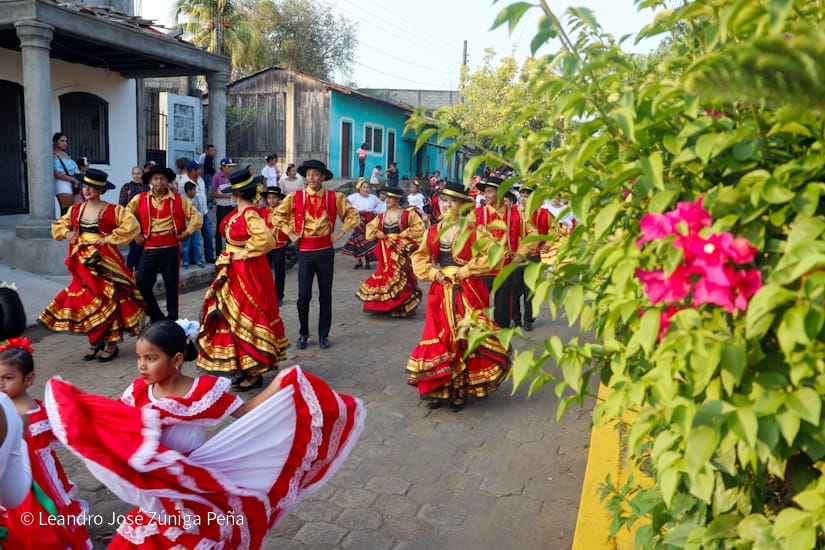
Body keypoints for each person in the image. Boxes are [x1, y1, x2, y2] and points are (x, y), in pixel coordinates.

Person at [44, 320, 365, 549]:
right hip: (158, 485)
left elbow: (244, 412)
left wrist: (281, 383)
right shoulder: (139, 391)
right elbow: (115, 419)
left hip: (191, 485)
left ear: (177, 359)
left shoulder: (203, 394)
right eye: (140, 358)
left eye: (151, 358)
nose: (141, 366)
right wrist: (78, 411)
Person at [406, 181, 511, 412]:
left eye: (453, 201)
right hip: (441, 292)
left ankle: (460, 391)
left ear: (464, 205)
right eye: (444, 200)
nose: (447, 205)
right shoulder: (434, 230)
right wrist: (433, 273)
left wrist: (466, 270)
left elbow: (495, 255)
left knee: (463, 339)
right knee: (439, 337)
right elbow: (420, 256)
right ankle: (439, 388)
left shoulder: (474, 231)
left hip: (467, 291)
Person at [40, 168, 146, 362]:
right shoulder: (76, 209)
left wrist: (109, 238)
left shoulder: (114, 210)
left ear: (101, 190)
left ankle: (112, 344)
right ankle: (95, 341)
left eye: (91, 187)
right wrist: (67, 233)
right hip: (82, 261)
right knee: (87, 300)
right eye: (84, 186)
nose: (86, 190)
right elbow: (58, 225)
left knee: (108, 299)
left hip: (105, 261)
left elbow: (132, 226)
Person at [197, 170, 289, 391]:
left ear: (236, 194)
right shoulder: (237, 214)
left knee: (247, 313)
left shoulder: (249, 215)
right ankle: (242, 365)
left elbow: (266, 240)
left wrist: (244, 253)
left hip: (247, 271)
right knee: (230, 316)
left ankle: (254, 371)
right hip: (232, 270)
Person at [0, 337, 93, 549]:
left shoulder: (36, 413)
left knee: (48, 511)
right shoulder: (5, 409)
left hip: (41, 477)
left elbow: (66, 432)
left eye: (8, 378)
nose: (1, 384)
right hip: (14, 476)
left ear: (29, 379)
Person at [273, 159, 359, 350]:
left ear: (323, 177)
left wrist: (340, 233)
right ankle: (303, 333)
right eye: (308, 174)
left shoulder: (334, 197)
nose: (311, 178)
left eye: (315, 174)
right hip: (305, 251)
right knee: (304, 295)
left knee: (325, 295)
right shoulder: (295, 197)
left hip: (325, 251)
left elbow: (353, 215)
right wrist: (290, 233)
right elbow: (277, 215)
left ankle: (323, 335)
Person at [127, 165, 202, 323]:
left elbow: (196, 217)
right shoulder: (140, 199)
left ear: (167, 181)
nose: (159, 182)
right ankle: (156, 316)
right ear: (150, 181)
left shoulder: (179, 199)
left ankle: (172, 319)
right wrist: (135, 234)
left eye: (162, 178)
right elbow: (125, 216)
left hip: (171, 248)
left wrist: (188, 232)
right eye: (155, 179)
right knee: (141, 283)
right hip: (150, 247)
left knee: (171, 284)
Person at [474, 176, 536, 328]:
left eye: (490, 191)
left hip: (506, 269)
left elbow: (533, 233)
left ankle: (501, 339)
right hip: (483, 269)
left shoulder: (516, 214)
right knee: (478, 311)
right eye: (485, 192)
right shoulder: (477, 214)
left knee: (502, 313)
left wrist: (521, 253)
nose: (486, 195)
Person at [356, 186, 424, 318]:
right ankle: (385, 305)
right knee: (386, 273)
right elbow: (370, 227)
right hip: (385, 249)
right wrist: (378, 233)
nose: (387, 200)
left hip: (400, 248)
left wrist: (405, 233)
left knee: (401, 273)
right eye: (387, 197)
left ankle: (399, 305)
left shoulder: (407, 214)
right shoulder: (382, 216)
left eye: (391, 198)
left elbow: (419, 227)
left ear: (397, 200)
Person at [513, 184, 557, 331]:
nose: (524, 199)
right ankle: (515, 318)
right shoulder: (514, 212)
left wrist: (548, 244)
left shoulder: (544, 214)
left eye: (527, 196)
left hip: (533, 257)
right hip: (515, 257)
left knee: (529, 291)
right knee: (514, 290)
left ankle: (528, 319)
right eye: (522, 196)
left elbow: (555, 229)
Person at [178, 159, 215, 262]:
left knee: (208, 234)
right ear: (192, 170)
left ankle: (209, 256)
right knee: (191, 237)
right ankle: (190, 258)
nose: (201, 170)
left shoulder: (201, 180)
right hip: (191, 214)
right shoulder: (183, 182)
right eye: (198, 169)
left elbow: (203, 193)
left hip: (204, 212)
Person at [342, 178, 381, 270]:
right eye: (363, 187)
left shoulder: (373, 198)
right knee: (358, 242)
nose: (366, 189)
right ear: (359, 188)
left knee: (369, 240)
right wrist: (351, 214)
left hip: (370, 222)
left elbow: (380, 205)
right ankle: (359, 262)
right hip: (359, 221)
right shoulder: (354, 197)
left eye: (367, 187)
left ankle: (367, 262)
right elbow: (344, 203)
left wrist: (375, 213)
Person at [260, 186, 289, 306]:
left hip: (279, 245)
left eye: (274, 198)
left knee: (279, 271)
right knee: (264, 272)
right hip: (266, 246)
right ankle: (265, 295)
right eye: (269, 198)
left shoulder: (283, 211)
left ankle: (278, 296)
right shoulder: (262, 211)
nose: (271, 200)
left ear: (279, 199)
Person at [211, 157, 236, 254]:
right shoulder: (217, 177)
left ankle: (229, 249)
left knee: (230, 229)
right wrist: (226, 196)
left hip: (231, 206)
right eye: (229, 167)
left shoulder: (231, 177)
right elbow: (212, 193)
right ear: (223, 167)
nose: (231, 169)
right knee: (219, 229)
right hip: (222, 207)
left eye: (231, 167)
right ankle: (218, 252)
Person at [52, 132, 81, 216]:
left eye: (66, 141)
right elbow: (56, 174)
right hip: (61, 183)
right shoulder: (53, 154)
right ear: (55, 142)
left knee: (78, 208)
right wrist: (72, 179)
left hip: (72, 182)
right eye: (62, 141)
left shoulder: (65, 154)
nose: (64, 143)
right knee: (66, 210)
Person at [181, 181, 205, 268]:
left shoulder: (197, 200)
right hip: (186, 226)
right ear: (188, 191)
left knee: (196, 243)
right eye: (194, 190)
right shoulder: (183, 201)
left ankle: (197, 260)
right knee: (186, 245)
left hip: (195, 227)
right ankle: (186, 261)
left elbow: (200, 211)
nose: (195, 192)